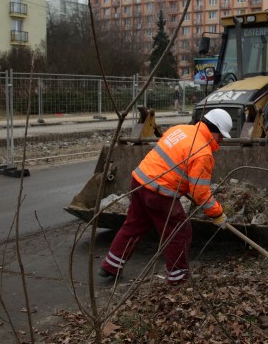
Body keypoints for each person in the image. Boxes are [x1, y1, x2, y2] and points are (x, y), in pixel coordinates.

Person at [99, 109, 232, 284]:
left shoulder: (180, 129)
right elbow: (201, 194)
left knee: (134, 224)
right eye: (221, 136)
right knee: (180, 231)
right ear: (213, 130)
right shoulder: (203, 152)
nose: (221, 140)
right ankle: (178, 277)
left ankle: (111, 265)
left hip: (139, 181)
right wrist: (217, 214)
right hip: (159, 193)